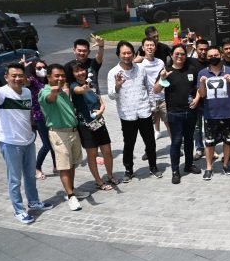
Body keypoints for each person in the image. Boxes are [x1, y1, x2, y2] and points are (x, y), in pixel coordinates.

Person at [0, 63, 54, 224]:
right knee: (15, 180)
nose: (17, 78)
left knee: (30, 176)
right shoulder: (1, 93)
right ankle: (19, 210)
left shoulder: (26, 92)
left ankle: (34, 202)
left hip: (28, 141)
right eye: (13, 76)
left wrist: (33, 131)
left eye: (20, 75)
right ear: (6, 77)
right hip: (10, 143)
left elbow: (27, 114)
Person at [107, 41, 161, 181]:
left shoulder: (141, 69)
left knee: (150, 142)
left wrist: (152, 107)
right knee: (129, 144)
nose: (127, 56)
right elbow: (111, 96)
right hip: (127, 114)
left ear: (133, 54)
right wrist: (117, 86)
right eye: (123, 53)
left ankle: (153, 167)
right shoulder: (113, 73)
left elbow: (149, 88)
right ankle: (128, 170)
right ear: (118, 54)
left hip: (144, 111)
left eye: (129, 53)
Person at [39, 64, 89, 211]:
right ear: (49, 77)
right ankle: (70, 196)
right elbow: (49, 99)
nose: (60, 78)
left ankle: (71, 190)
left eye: (62, 75)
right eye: (57, 76)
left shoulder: (63, 92)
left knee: (72, 164)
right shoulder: (45, 92)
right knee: (64, 167)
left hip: (73, 132)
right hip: (59, 134)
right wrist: (54, 92)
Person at [67, 60, 120, 191]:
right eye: (76, 71)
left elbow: (100, 100)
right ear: (72, 74)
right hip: (85, 125)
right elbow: (79, 90)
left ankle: (110, 176)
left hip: (99, 123)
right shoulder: (73, 86)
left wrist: (101, 109)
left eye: (82, 69)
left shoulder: (91, 83)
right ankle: (98, 181)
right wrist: (85, 87)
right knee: (92, 154)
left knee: (107, 151)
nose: (80, 73)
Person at [154, 44, 202, 184]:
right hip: (174, 113)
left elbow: (199, 88)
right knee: (176, 141)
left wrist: (197, 99)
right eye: (177, 54)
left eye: (182, 54)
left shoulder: (191, 69)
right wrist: (162, 79)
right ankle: (175, 171)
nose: (180, 56)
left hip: (191, 111)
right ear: (171, 55)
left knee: (189, 140)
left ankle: (188, 165)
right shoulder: (166, 71)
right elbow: (156, 90)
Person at [197, 46, 230, 179]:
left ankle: (225, 164)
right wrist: (202, 84)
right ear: (207, 58)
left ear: (220, 55)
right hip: (211, 114)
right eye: (210, 56)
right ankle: (209, 167)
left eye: (216, 55)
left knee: (228, 141)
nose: (213, 58)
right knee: (209, 143)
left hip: (228, 113)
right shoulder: (202, 73)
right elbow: (202, 95)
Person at [25, 59, 56, 180]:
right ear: (34, 70)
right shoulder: (33, 80)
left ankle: (56, 165)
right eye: (38, 68)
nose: (42, 69)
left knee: (54, 141)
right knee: (46, 145)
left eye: (44, 67)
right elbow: (25, 81)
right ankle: (37, 167)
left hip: (51, 115)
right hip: (39, 117)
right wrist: (25, 69)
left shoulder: (48, 80)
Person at [140, 37, 169, 141]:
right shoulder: (140, 64)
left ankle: (175, 146)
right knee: (150, 123)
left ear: (155, 47)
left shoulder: (160, 62)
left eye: (152, 45)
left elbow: (164, 78)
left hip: (163, 97)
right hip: (148, 99)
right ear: (143, 48)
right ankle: (155, 136)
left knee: (168, 122)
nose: (149, 47)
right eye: (147, 45)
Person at [188, 38, 211, 161]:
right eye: (200, 49)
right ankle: (199, 148)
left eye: (205, 49)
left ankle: (210, 147)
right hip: (195, 99)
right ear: (196, 49)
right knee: (197, 126)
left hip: (209, 99)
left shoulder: (212, 62)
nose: (203, 51)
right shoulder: (190, 61)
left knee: (209, 126)